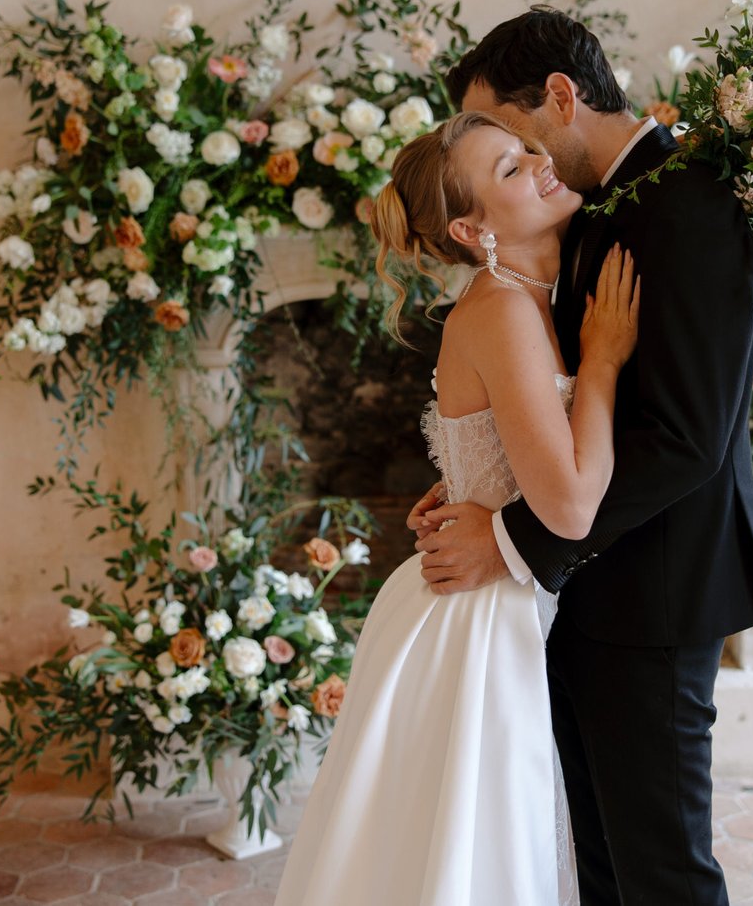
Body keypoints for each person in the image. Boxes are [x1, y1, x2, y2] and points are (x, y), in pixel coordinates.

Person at [411, 6, 753, 905]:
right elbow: (563, 391)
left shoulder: (690, 204)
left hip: (651, 595)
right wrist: (476, 473)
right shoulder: (590, 205)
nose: (522, 160)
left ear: (559, 97)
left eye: (507, 134)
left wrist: (510, 538)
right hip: (583, 590)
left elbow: (686, 438)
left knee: (663, 872)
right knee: (605, 866)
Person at [274, 110, 640, 906]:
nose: (539, 163)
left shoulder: (532, 296)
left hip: (492, 597)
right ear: (473, 228)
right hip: (475, 622)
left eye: (526, 150)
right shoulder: (504, 310)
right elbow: (572, 505)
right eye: (509, 170)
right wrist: (605, 360)